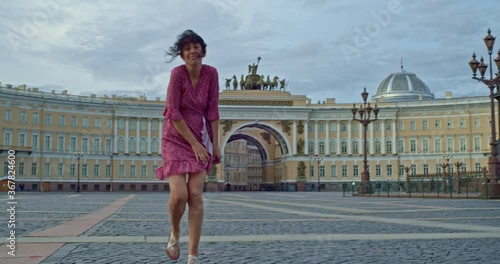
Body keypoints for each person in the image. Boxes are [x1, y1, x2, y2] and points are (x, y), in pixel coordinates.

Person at [156, 29, 221, 264]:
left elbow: (212, 111)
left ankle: (192, 256)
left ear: (203, 51)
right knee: (179, 195)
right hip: (176, 137)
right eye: (187, 48)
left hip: (201, 138)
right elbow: (172, 111)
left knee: (195, 195)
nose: (192, 51)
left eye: (196, 47)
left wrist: (215, 145)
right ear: (182, 55)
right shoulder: (177, 74)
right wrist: (194, 144)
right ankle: (175, 231)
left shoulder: (211, 74)